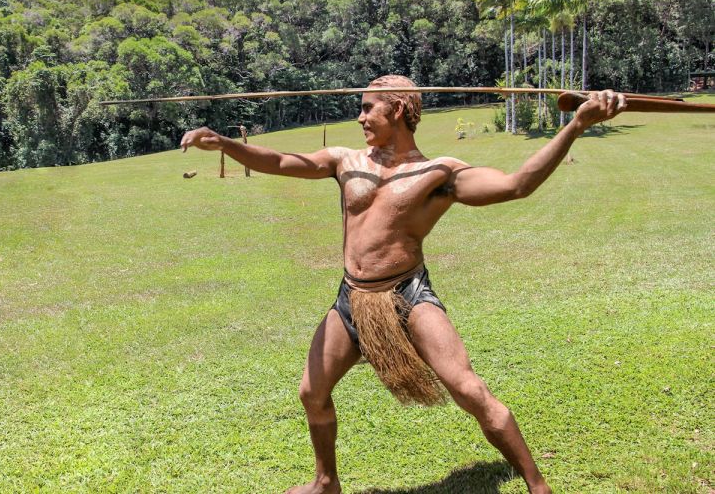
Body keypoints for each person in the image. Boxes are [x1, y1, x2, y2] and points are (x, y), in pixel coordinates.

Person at [179, 75, 626, 494]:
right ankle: (325, 482)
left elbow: (516, 186)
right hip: (353, 298)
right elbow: (280, 162)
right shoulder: (345, 161)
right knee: (312, 392)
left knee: (467, 389)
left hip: (407, 294)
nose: (360, 117)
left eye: (367, 108)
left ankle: (537, 485)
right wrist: (224, 143)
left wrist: (576, 125)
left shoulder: (439, 173)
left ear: (396, 110)